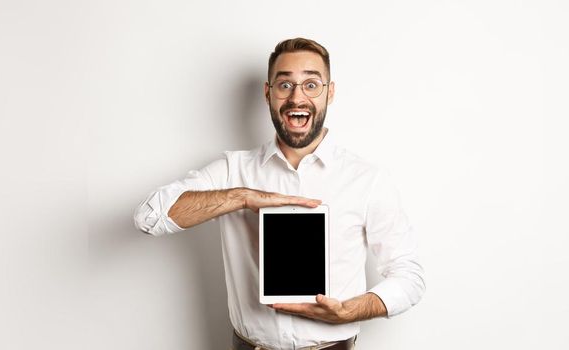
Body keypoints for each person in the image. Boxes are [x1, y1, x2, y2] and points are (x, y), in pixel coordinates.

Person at [134, 37, 425, 350]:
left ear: (330, 92)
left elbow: (409, 277)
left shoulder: (366, 179)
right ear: (268, 93)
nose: (297, 97)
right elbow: (149, 217)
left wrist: (348, 311)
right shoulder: (233, 170)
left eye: (311, 84)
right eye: (285, 85)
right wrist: (241, 197)